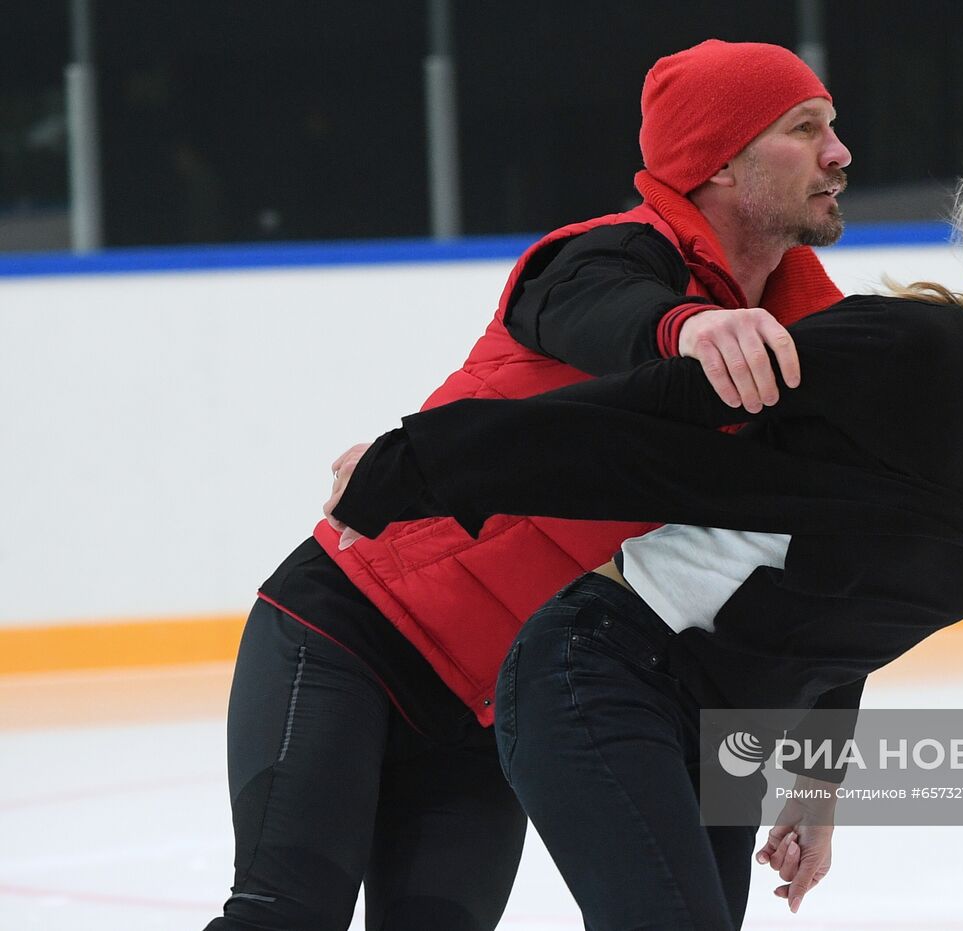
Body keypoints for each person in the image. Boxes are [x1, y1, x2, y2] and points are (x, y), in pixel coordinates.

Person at [326, 146, 963, 930]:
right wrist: (422, 460)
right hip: (604, 668)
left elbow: (851, 600)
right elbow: (653, 410)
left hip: (721, 733)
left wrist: (818, 780)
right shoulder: (908, 349)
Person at [206, 39, 853, 931]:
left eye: (832, 126)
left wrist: (817, 781)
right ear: (719, 162)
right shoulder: (599, 259)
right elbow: (595, 310)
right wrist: (689, 327)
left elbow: (829, 577)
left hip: (493, 704)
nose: (839, 152)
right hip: (348, 633)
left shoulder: (809, 349)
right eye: (805, 128)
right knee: (284, 915)